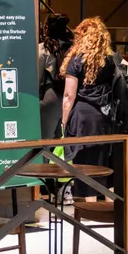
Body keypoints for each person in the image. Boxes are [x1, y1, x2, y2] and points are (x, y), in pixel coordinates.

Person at [59, 17, 118, 196]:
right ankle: (107, 205)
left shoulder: (76, 61)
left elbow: (69, 95)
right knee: (104, 162)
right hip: (105, 117)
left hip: (82, 119)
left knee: (83, 163)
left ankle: (86, 207)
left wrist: (64, 121)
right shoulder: (112, 60)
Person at [38, 13, 74, 140]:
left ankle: (44, 161)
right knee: (62, 142)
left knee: (43, 144)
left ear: (47, 28)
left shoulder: (44, 49)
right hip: (72, 100)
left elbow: (37, 79)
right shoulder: (73, 48)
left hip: (51, 99)